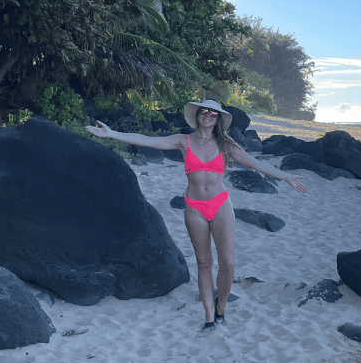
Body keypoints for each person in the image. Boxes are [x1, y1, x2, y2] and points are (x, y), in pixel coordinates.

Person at [86, 99, 306, 330]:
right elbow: (149, 140)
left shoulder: (226, 144)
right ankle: (210, 317)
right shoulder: (184, 141)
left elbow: (254, 162)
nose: (208, 115)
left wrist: (285, 177)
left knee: (228, 264)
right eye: (205, 111)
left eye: (213, 112)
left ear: (218, 118)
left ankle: (221, 307)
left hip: (220, 204)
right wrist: (111, 134)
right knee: (203, 262)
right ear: (198, 115)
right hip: (194, 207)